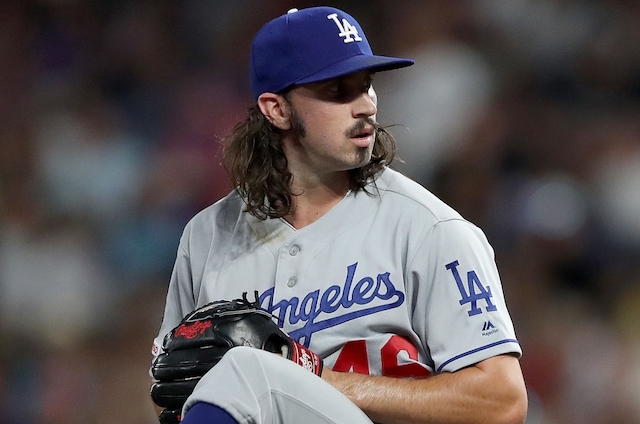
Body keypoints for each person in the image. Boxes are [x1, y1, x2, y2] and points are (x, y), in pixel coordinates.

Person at [151, 6, 528, 424]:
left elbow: (502, 401)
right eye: (338, 91)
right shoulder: (207, 235)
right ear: (276, 109)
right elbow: (170, 386)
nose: (365, 105)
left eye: (366, 85)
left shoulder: (430, 229)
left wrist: (313, 377)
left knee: (246, 367)